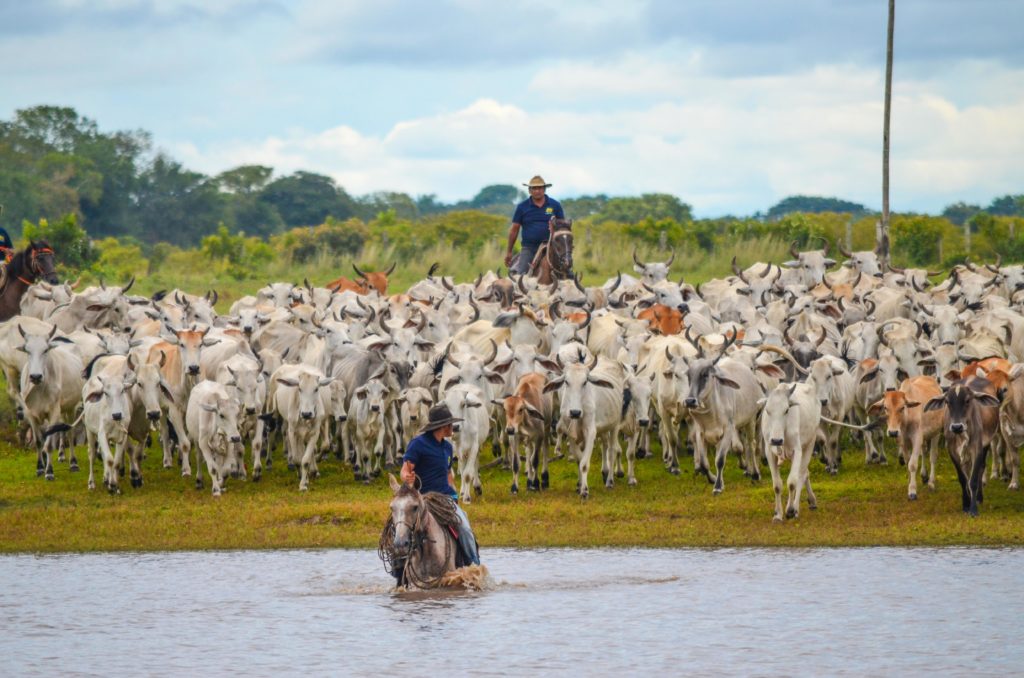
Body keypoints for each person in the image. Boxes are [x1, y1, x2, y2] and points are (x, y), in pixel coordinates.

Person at [400, 403, 481, 568]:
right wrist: (407, 477)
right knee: (400, 529)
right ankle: (399, 568)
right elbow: (404, 469)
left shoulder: (447, 447)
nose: (453, 427)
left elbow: (448, 474)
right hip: (422, 499)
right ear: (443, 426)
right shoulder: (418, 444)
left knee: (464, 528)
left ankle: (474, 567)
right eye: (450, 424)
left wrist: (455, 494)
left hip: (445, 499)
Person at [505, 175, 564, 275]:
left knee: (565, 271)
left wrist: (555, 228)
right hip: (529, 248)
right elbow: (514, 230)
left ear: (544, 189)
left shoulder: (555, 205)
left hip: (551, 246)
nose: (537, 191)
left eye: (540, 188)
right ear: (529, 190)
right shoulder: (522, 207)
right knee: (521, 276)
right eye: (534, 188)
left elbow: (563, 226)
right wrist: (509, 251)